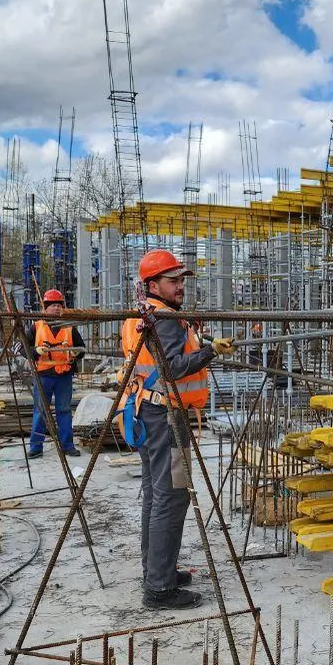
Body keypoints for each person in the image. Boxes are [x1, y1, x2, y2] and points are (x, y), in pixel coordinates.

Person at [119, 249, 235, 610]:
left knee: (157, 494)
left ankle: (158, 571)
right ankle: (159, 588)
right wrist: (211, 351)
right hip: (166, 418)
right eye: (173, 280)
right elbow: (173, 367)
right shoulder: (164, 318)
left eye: (181, 279)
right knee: (171, 495)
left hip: (147, 411)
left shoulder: (143, 314)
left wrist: (199, 342)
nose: (180, 285)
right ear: (153, 284)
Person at [29, 289, 85, 458]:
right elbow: (21, 348)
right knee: (40, 412)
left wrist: (76, 353)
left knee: (64, 411)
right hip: (43, 376)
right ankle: (36, 447)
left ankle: (67, 446)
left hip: (64, 376)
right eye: (52, 305)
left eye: (58, 305)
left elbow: (82, 349)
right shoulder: (36, 326)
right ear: (45, 307)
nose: (55, 308)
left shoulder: (69, 327)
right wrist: (36, 351)